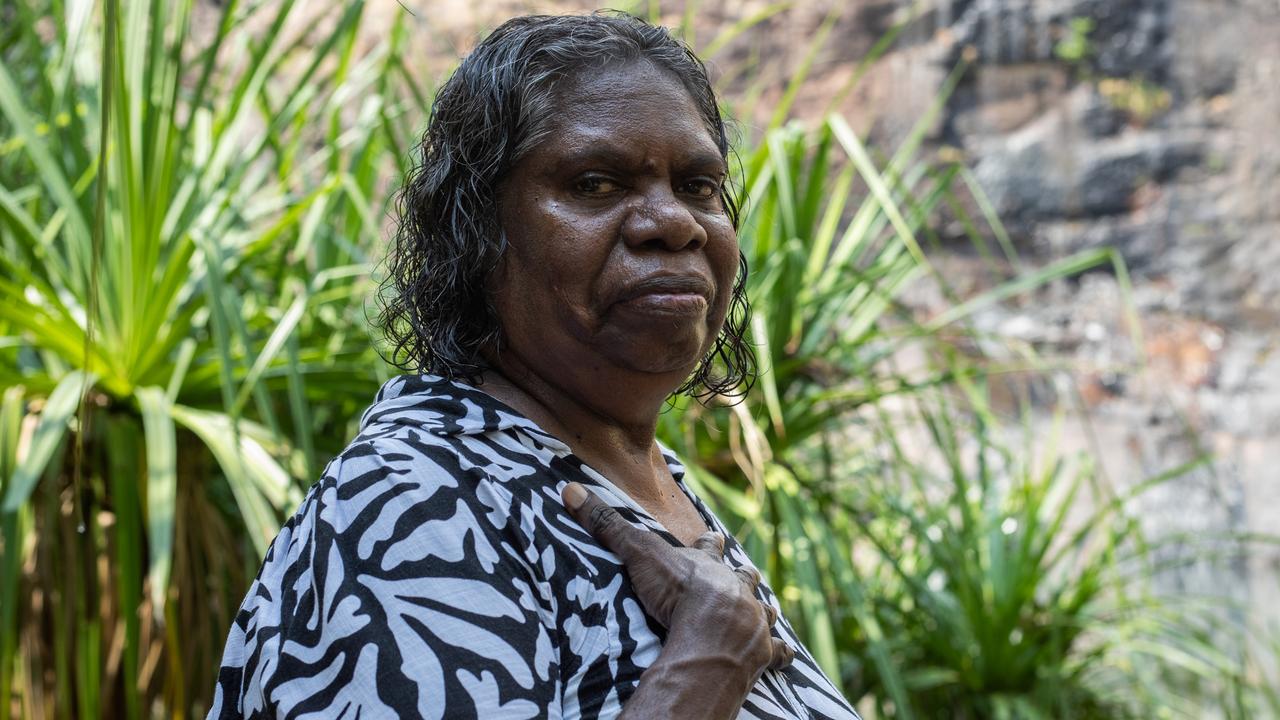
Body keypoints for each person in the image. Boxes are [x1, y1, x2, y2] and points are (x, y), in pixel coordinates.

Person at [209, 12, 860, 720]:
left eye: (698, 184)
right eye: (594, 183)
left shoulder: (648, 484)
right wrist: (707, 658)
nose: (675, 222)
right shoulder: (412, 500)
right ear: (477, 233)